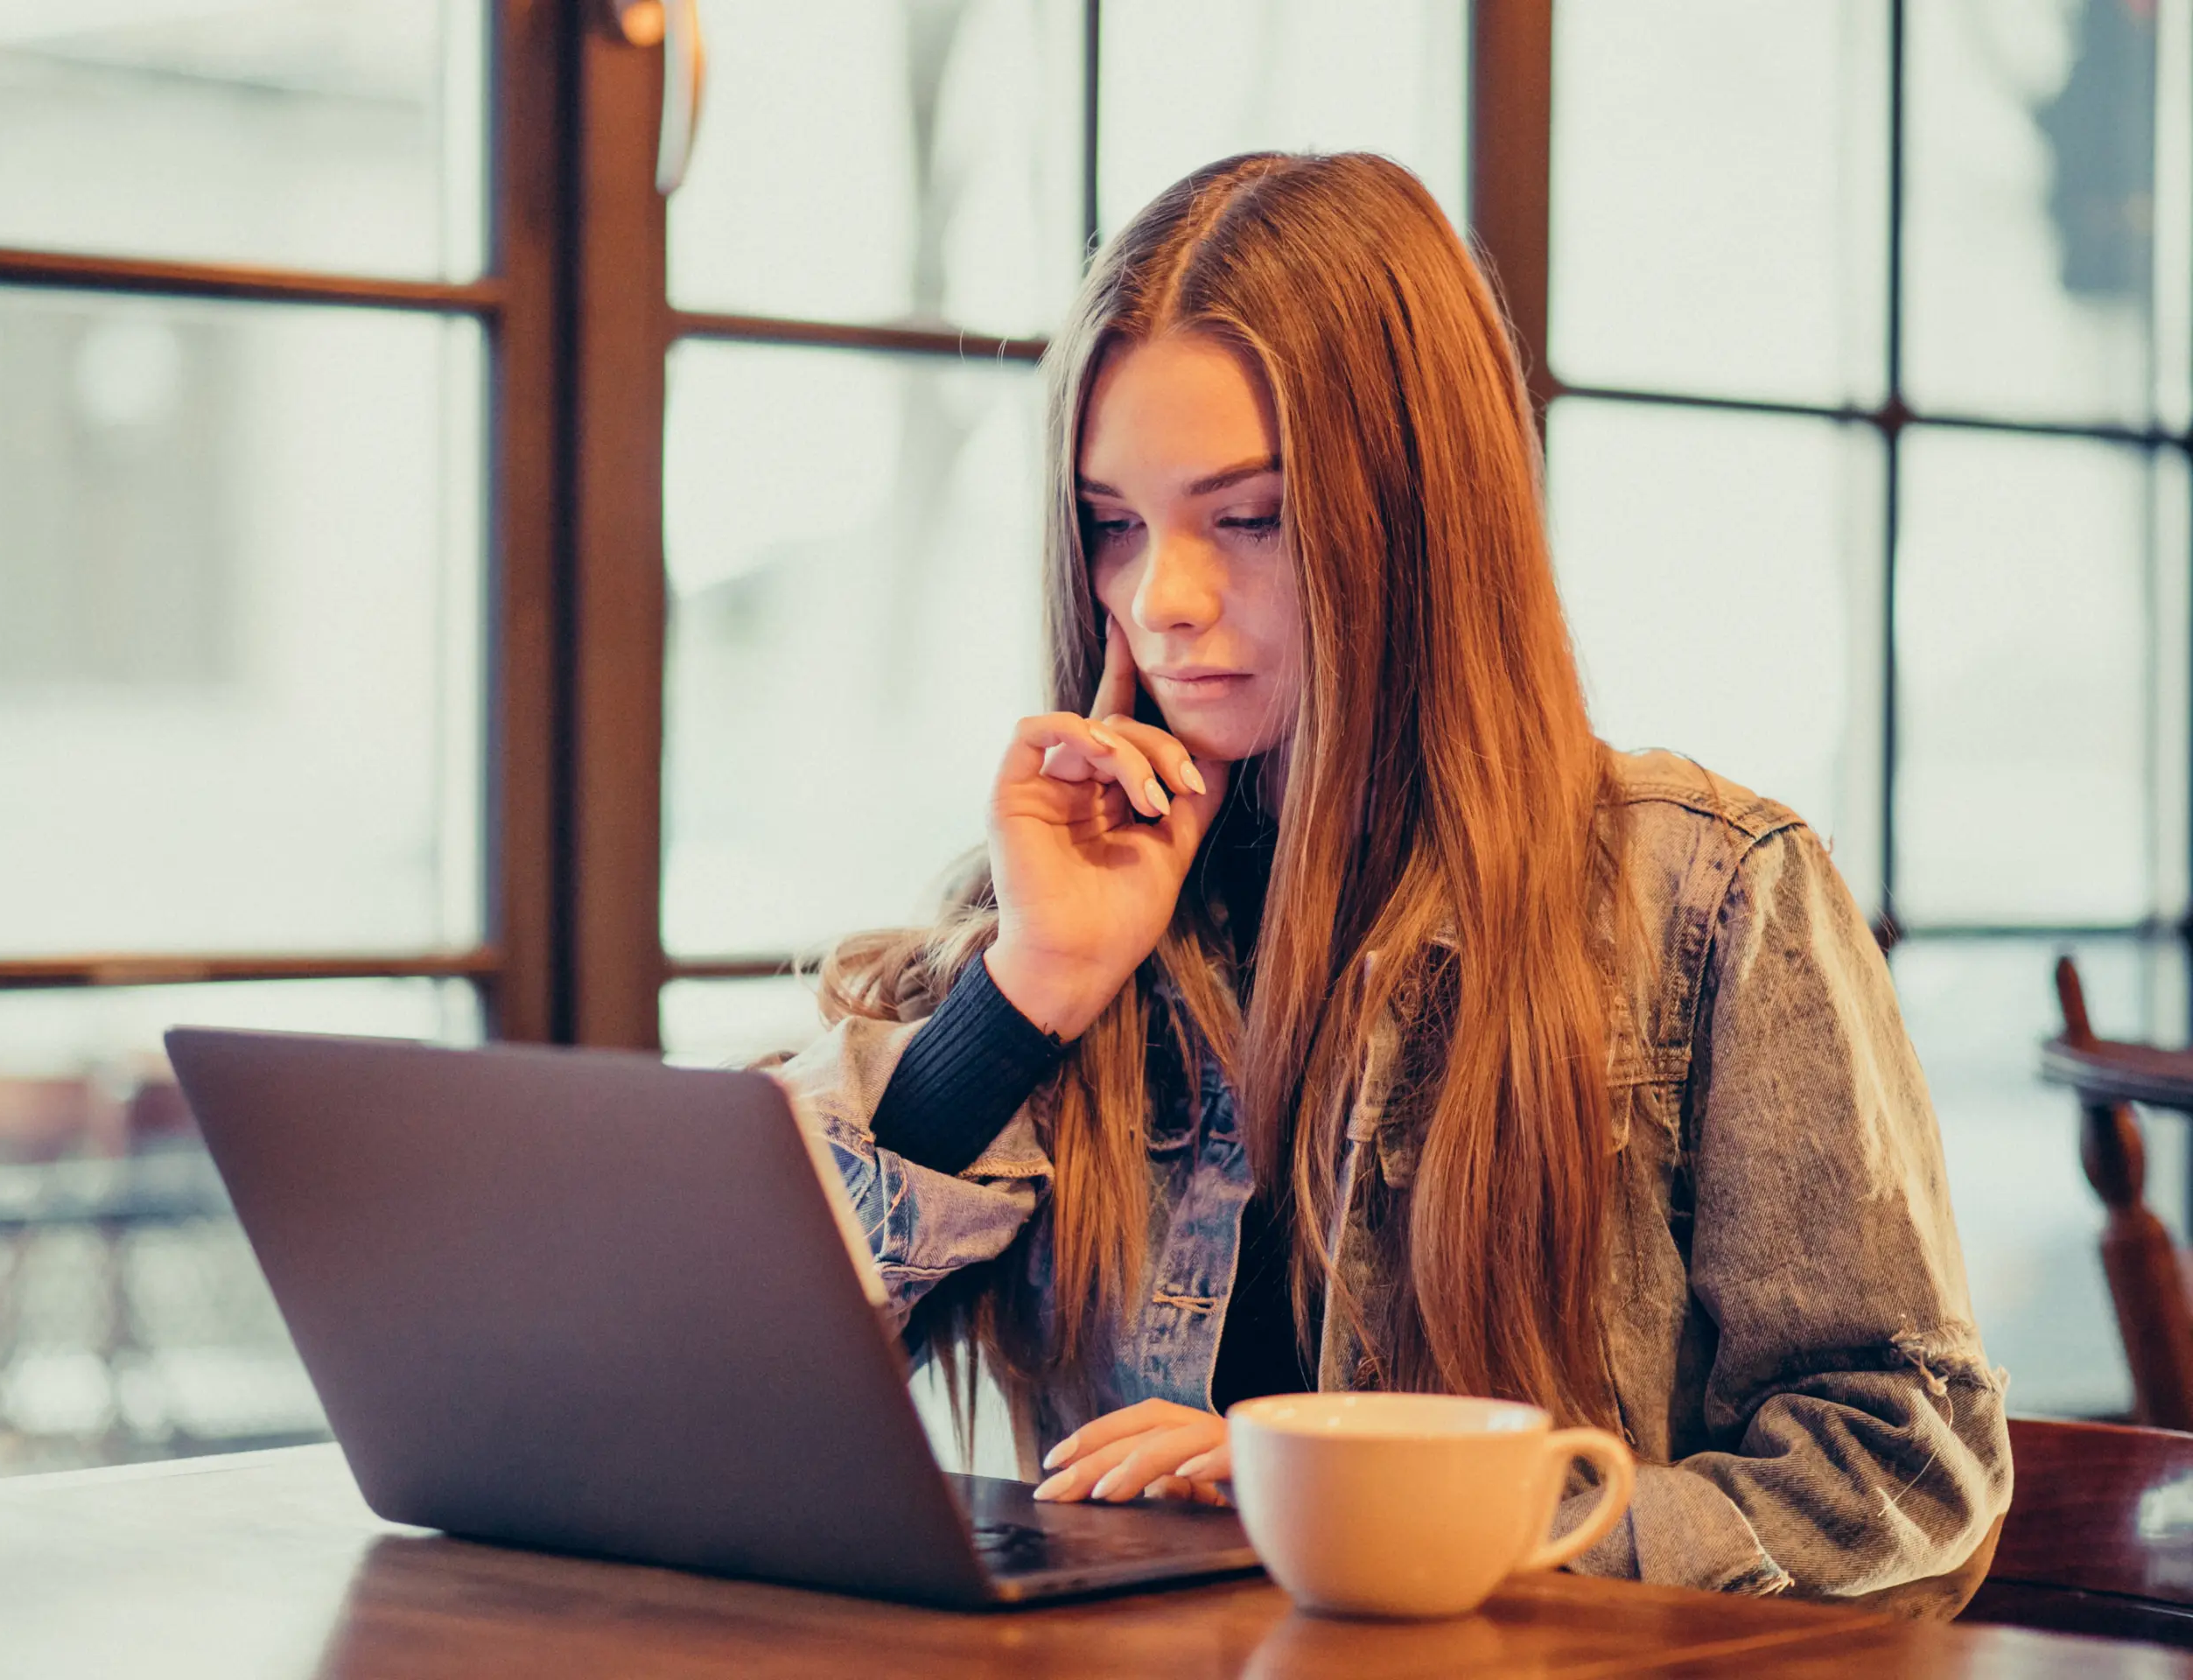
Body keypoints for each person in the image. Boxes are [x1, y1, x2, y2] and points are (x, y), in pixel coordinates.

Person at [770, 151, 2010, 1601]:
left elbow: (1906, 1463)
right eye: (1113, 524)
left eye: (1249, 519)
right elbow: (726, 1378)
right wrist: (1028, 991)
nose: (1158, 599)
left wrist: (1420, 1499)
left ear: (1420, 521)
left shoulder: (1714, 894)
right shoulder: (1066, 905)